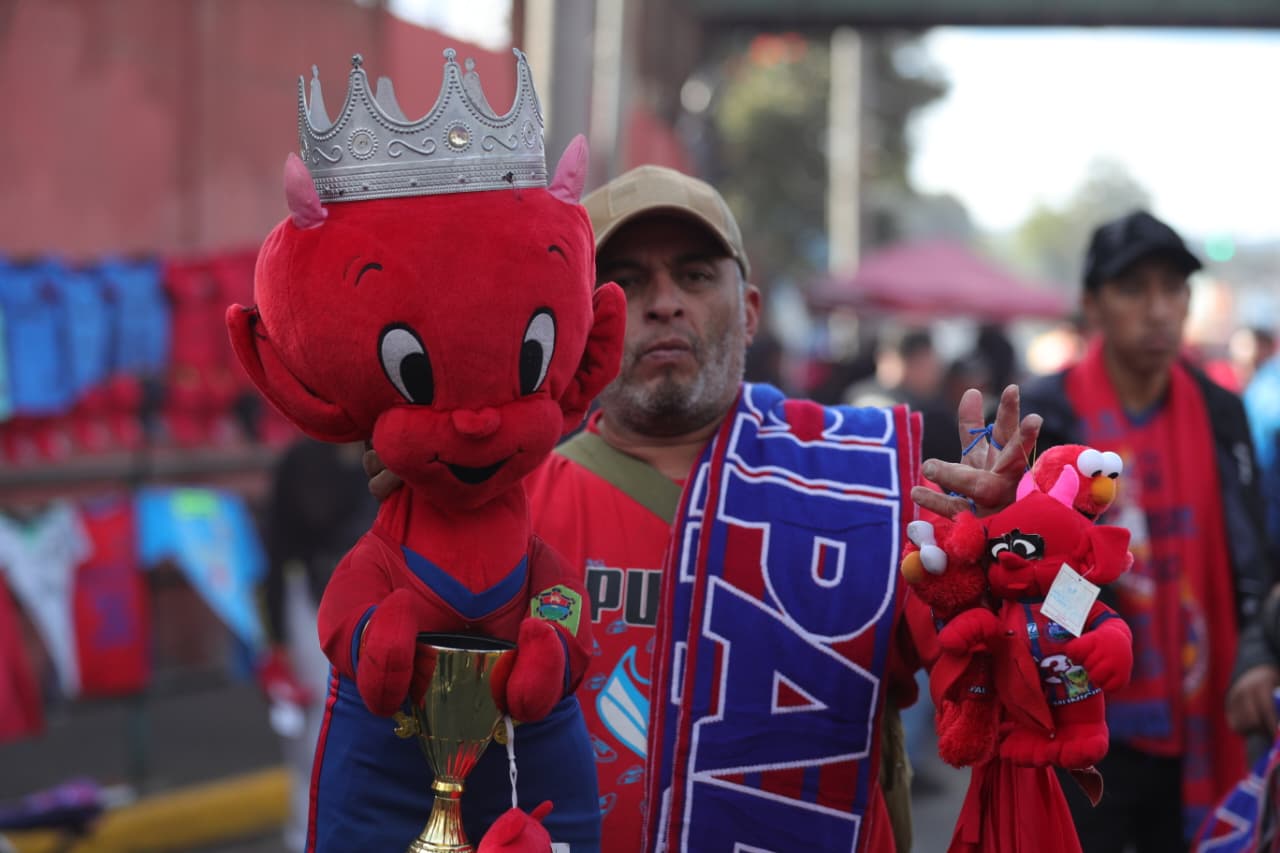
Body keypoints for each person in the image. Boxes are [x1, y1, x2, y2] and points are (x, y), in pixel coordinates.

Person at [368, 164, 1041, 851]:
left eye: (694, 276)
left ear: (748, 311)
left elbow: (1008, 690)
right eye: (626, 281)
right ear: (576, 325)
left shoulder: (858, 480)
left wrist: (1006, 556)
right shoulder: (501, 512)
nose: (663, 302)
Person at [1020, 210, 1278, 851]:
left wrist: (1257, 654)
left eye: (1174, 289)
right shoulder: (1051, 413)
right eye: (1134, 289)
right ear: (1092, 304)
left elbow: (1248, 546)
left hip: (1202, 704)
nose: (1160, 309)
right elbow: (1028, 565)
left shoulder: (1218, 408)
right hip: (1083, 705)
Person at [254, 437, 377, 853]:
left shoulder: (390, 452)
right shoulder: (302, 460)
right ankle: (306, 838)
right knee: (316, 733)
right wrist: (277, 641)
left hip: (379, 606)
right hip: (311, 602)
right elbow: (276, 552)